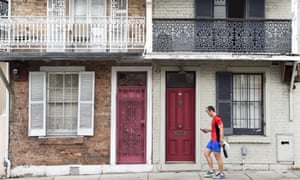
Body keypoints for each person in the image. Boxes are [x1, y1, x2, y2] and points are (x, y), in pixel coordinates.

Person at [202, 106, 225, 179]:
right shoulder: (213, 119)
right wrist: (208, 130)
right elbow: (215, 130)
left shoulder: (217, 118)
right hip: (212, 140)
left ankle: (221, 174)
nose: (207, 114)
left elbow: (221, 129)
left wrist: (221, 140)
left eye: (207, 112)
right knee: (206, 153)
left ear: (211, 111)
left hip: (216, 141)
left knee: (218, 158)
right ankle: (211, 170)